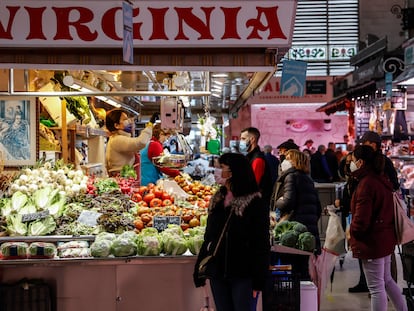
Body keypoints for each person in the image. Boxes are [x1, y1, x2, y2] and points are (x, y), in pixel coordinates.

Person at [193, 152, 270, 311]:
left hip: (244, 273)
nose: (216, 170)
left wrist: (259, 279)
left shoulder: (254, 202)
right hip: (218, 272)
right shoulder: (218, 198)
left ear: (234, 172)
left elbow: (261, 242)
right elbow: (209, 236)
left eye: (221, 167)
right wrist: (199, 267)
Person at [348, 145, 407, 311]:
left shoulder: (366, 184)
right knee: (387, 280)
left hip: (372, 240)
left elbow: (362, 219)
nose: (351, 164)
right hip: (384, 237)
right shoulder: (381, 179)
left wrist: (353, 231)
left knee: (376, 287)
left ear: (360, 162)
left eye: (352, 160)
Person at [272, 149, 322, 279]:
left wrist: (278, 201)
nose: (284, 161)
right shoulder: (308, 179)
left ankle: (294, 298)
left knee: (291, 269)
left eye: (288, 158)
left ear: (295, 161)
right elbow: (318, 208)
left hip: (293, 232)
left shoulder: (291, 176)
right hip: (307, 231)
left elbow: (287, 202)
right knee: (302, 269)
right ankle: (304, 298)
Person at [105, 109, 153, 176]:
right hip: (121, 179)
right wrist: (149, 126)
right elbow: (141, 142)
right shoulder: (117, 139)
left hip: (123, 176)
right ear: (116, 125)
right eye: (125, 119)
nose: (129, 121)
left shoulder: (116, 138)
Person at [239, 127, 273, 207]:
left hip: (256, 206)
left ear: (252, 139)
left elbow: (253, 185)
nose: (241, 142)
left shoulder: (257, 159)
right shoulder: (250, 157)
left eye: (243, 139)